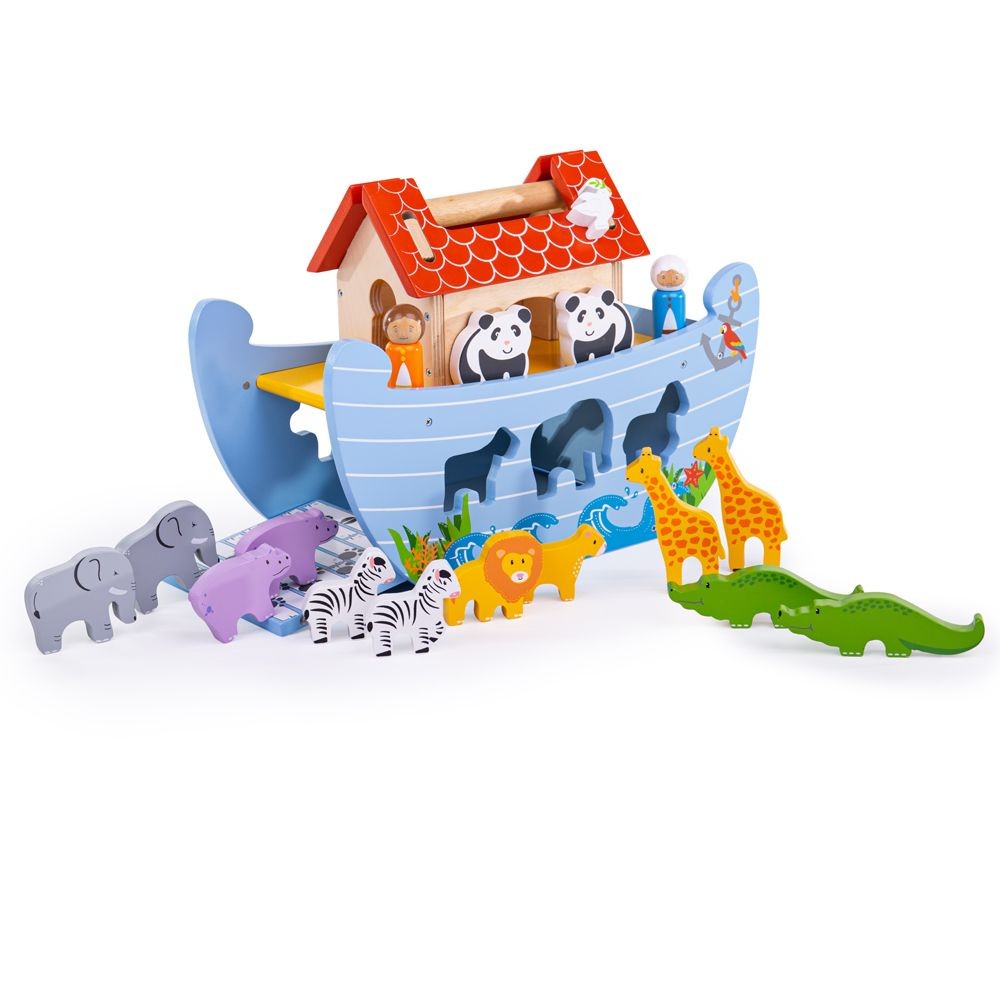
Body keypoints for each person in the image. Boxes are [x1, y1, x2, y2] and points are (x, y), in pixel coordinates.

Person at [383, 304, 426, 388]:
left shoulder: (416, 348)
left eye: (410, 329)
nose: (403, 334)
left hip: (416, 389)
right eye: (395, 330)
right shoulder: (390, 348)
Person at [651, 255, 688, 337]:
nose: (670, 281)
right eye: (664, 277)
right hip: (659, 336)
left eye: (676, 277)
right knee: (660, 328)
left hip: (677, 332)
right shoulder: (658, 295)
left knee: (677, 331)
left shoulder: (680, 296)